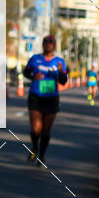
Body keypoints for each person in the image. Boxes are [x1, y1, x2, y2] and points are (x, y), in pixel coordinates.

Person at [23, 34, 68, 165]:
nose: (48, 44)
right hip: (35, 96)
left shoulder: (59, 61)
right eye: (46, 42)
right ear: (43, 44)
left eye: (51, 42)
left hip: (51, 98)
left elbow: (64, 81)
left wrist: (61, 72)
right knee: (36, 129)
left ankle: (41, 156)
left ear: (54, 45)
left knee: (46, 130)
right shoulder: (35, 59)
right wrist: (33, 76)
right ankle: (34, 147)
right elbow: (26, 72)